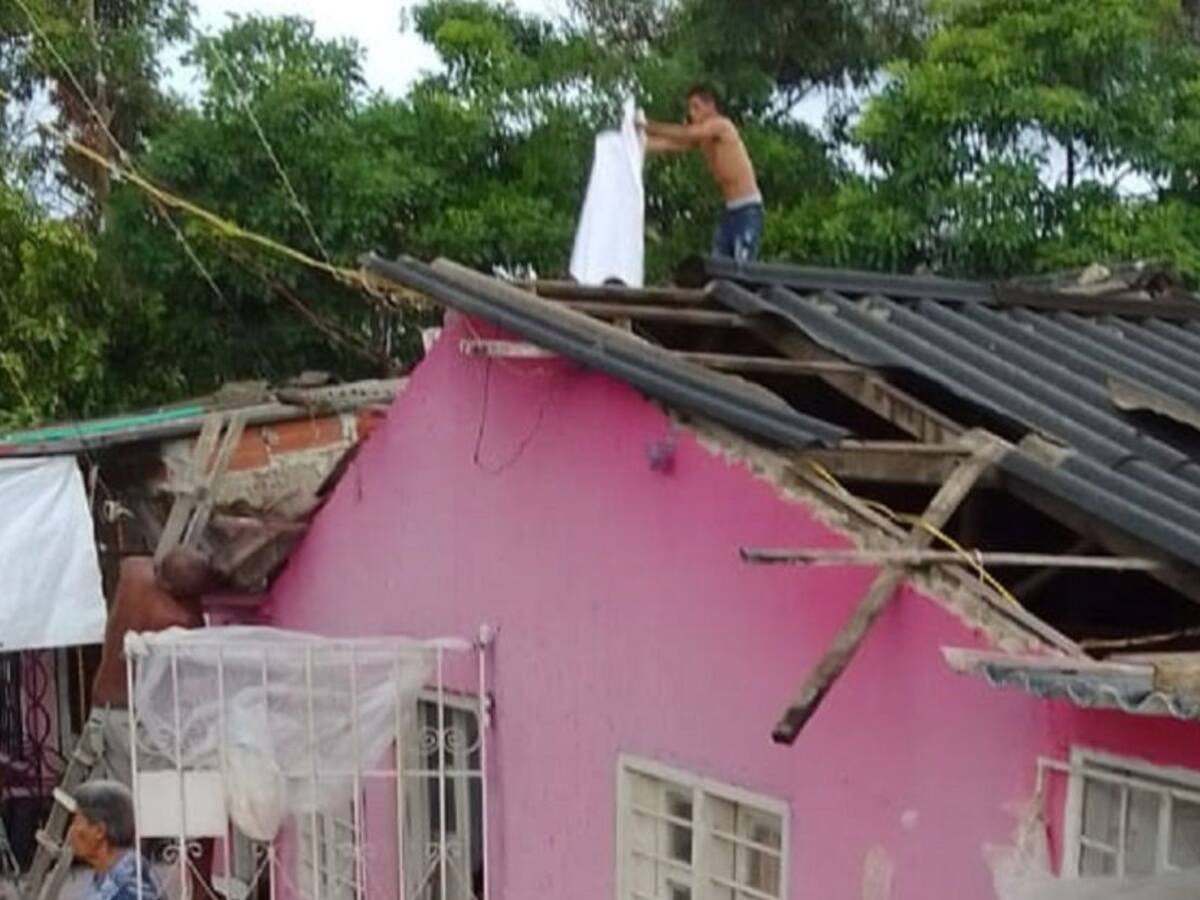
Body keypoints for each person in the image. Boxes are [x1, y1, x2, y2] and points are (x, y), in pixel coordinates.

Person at [90, 547, 213, 786]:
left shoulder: (133, 572)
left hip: (104, 707)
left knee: (126, 800)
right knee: (156, 799)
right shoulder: (180, 619)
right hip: (137, 719)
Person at [643, 84, 764, 263]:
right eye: (690, 108)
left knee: (742, 267)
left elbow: (687, 133)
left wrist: (648, 125)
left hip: (748, 209)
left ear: (711, 106)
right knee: (720, 266)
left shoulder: (721, 126)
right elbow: (669, 144)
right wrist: (634, 142)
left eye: (696, 107)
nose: (692, 114)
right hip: (730, 210)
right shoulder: (702, 138)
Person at [68, 781, 160, 900]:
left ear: (100, 831)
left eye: (77, 821)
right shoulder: (108, 874)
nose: (71, 830)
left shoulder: (126, 891)